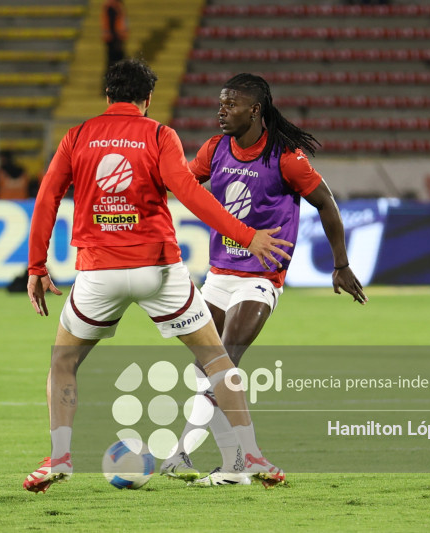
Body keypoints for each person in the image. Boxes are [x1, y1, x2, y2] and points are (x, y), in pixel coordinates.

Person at [22, 59, 292, 493]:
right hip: (158, 270)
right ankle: (252, 454)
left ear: (107, 96)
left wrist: (36, 266)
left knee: (63, 362)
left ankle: (59, 457)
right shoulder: (159, 134)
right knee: (218, 362)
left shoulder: (77, 136)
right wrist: (247, 236)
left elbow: (47, 198)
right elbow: (189, 193)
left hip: (99, 272)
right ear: (147, 100)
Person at [160, 73, 368, 486]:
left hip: (260, 280)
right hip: (218, 276)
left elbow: (325, 203)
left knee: (225, 363)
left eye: (230, 104)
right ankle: (234, 465)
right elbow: (182, 184)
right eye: (220, 103)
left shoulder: (286, 157)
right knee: (209, 373)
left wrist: (340, 263)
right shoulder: (214, 149)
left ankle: (180, 453)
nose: (221, 111)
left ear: (255, 110)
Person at [102, 0, 128, 82]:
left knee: (115, 64)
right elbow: (112, 24)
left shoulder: (116, 5)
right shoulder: (112, 6)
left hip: (116, 39)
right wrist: (116, 41)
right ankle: (110, 85)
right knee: (114, 64)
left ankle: (113, 84)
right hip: (114, 40)